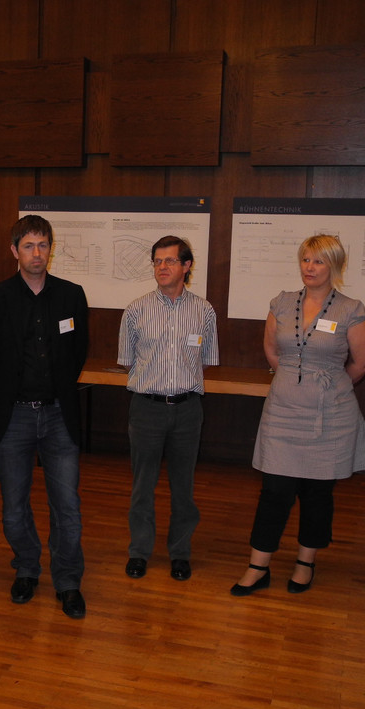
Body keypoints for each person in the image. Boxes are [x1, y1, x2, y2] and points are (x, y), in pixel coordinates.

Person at [231, 234, 365, 597]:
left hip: (329, 416)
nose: (310, 267)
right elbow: (271, 349)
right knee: (274, 491)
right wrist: (294, 380)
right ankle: (257, 566)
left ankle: (305, 563)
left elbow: (362, 362)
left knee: (317, 493)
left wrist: (329, 386)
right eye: (306, 260)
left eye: (319, 261)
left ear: (335, 266)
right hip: (283, 410)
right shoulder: (281, 303)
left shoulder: (350, 309)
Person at [0, 215, 89, 619]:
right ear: (14, 251)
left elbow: (78, 351)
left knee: (67, 506)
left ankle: (68, 580)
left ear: (50, 249)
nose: (36, 253)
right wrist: (1, 404)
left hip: (59, 415)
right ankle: (26, 567)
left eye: (43, 245)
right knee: (13, 508)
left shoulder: (71, 295)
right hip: (14, 418)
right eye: (28, 246)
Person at [118, 235, 218, 582]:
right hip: (146, 408)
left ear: (186, 266)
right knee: (142, 486)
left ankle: (180, 553)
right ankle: (139, 552)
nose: (162, 267)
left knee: (183, 487)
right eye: (157, 261)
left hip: (188, 410)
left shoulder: (204, 311)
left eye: (170, 261)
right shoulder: (135, 310)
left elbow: (206, 359)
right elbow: (127, 360)